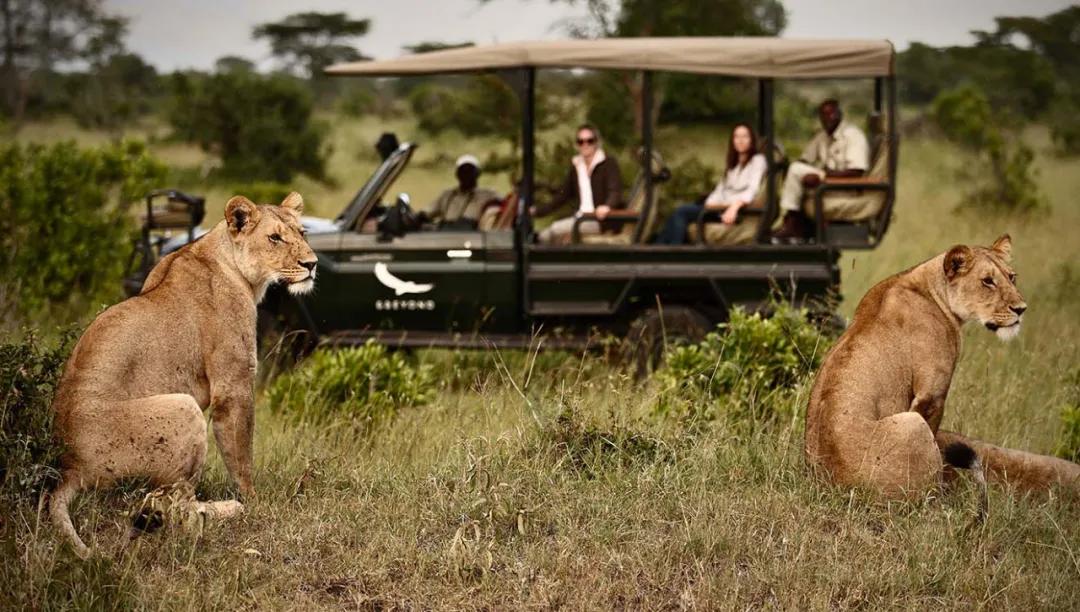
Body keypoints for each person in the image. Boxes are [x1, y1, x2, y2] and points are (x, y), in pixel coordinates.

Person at [771, 99, 869, 244]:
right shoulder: (822, 136)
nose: (827, 118)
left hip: (844, 189)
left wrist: (823, 176)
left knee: (796, 170)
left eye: (831, 114)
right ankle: (794, 223)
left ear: (839, 114)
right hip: (825, 186)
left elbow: (856, 172)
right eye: (823, 115)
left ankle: (792, 222)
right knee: (795, 169)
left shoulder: (853, 135)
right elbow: (804, 159)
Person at [655, 123, 767, 245]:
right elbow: (720, 190)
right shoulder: (734, 165)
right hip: (716, 208)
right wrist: (710, 204)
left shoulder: (758, 161)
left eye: (745, 136)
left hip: (730, 211)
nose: (740, 140)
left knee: (681, 212)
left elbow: (752, 189)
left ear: (752, 140)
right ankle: (659, 249)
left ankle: (671, 251)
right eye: (736, 137)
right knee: (676, 216)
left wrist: (734, 207)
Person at [531, 124, 623, 245]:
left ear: (596, 142)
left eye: (589, 141)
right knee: (546, 235)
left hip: (598, 220)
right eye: (581, 141)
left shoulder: (608, 164)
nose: (585, 145)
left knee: (553, 230)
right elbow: (562, 196)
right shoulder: (577, 167)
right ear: (577, 145)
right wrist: (537, 211)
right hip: (581, 219)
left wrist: (607, 206)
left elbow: (614, 191)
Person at [424, 154, 501, 230]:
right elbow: (427, 213)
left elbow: (505, 205)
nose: (466, 175)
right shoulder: (447, 195)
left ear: (478, 174)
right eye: (463, 171)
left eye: (470, 171)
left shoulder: (488, 194)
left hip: (473, 235)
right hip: (446, 233)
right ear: (457, 174)